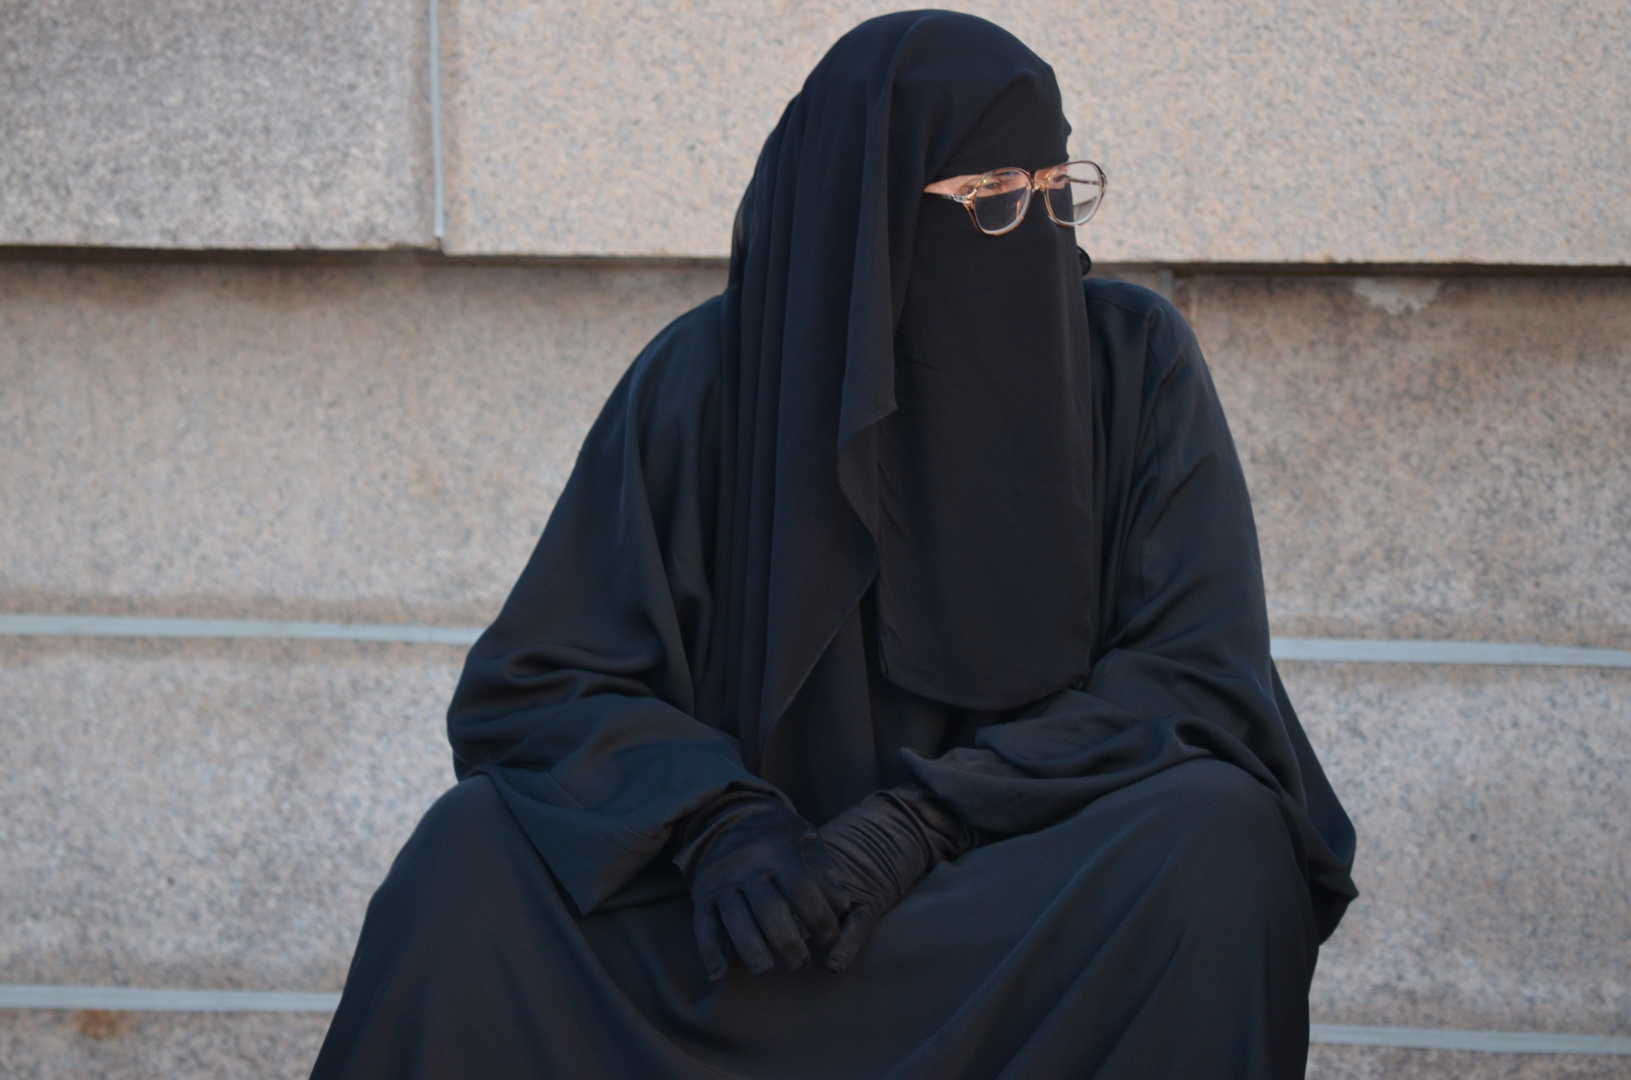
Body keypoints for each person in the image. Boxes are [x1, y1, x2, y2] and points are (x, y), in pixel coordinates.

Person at [310, 11, 1357, 1079]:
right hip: (748, 927)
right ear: (866, 217)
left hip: (1009, 906)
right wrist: (714, 823)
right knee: (472, 853)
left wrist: (921, 823)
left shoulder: (1132, 365)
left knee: (1217, 839)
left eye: (1056, 190)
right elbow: (543, 681)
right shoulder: (707, 381)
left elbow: (1192, 673)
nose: (1037, 228)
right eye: (992, 199)